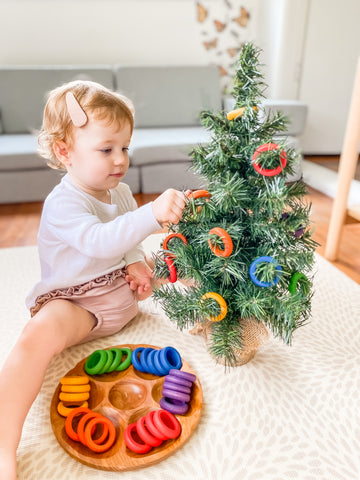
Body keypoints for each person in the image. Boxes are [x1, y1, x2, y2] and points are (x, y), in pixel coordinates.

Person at [0, 80, 186, 479]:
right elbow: (99, 241)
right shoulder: (63, 202)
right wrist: (151, 214)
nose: (120, 160)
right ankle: (3, 444)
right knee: (36, 335)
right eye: (106, 149)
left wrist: (136, 261)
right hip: (79, 307)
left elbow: (125, 237)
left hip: (122, 292)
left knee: (182, 258)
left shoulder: (116, 192)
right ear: (65, 152)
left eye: (125, 147)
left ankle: (224, 315)